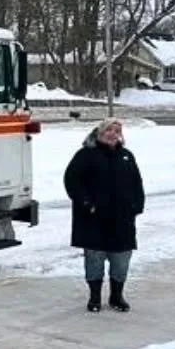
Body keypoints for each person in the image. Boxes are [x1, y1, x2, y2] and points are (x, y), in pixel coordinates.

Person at [63, 117, 145, 314]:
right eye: (109, 130)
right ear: (99, 133)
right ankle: (95, 297)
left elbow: (136, 183)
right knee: (94, 259)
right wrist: (86, 204)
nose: (113, 134)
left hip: (122, 219)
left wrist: (137, 205)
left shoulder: (126, 156)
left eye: (117, 131)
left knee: (121, 260)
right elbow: (72, 181)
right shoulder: (86, 155)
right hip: (93, 219)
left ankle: (117, 296)